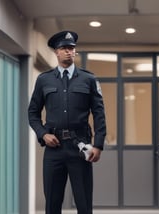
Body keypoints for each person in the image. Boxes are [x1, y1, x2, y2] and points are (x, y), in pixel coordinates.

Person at [28, 30, 107, 214]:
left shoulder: (88, 79)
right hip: (54, 149)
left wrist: (98, 144)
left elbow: (99, 113)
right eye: (64, 48)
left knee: (84, 203)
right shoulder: (44, 80)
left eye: (72, 48)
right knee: (52, 204)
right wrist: (43, 134)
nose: (69, 51)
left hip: (79, 147)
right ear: (56, 52)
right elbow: (32, 113)